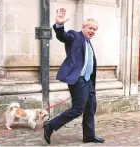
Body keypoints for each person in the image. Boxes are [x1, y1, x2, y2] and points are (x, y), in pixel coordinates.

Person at [43, 8, 105, 144]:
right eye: (90, 28)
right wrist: (59, 25)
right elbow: (63, 36)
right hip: (78, 79)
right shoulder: (75, 36)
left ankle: (89, 135)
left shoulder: (89, 43)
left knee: (91, 107)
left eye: (95, 29)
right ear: (83, 27)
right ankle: (50, 125)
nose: (92, 31)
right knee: (78, 109)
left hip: (88, 81)